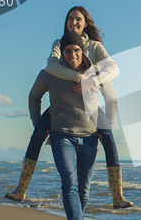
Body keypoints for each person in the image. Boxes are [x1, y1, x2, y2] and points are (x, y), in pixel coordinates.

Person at [5, 6, 133, 209]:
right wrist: (83, 79)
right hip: (62, 104)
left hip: (89, 108)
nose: (74, 22)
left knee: (108, 136)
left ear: (85, 23)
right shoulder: (59, 43)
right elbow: (52, 66)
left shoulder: (95, 46)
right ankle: (21, 189)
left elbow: (113, 68)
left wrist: (96, 80)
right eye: (70, 19)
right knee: (38, 133)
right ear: (66, 23)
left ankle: (117, 195)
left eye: (78, 19)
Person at [30, 30, 106, 220]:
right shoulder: (50, 73)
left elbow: (111, 98)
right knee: (69, 184)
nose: (72, 55)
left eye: (76, 50)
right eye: (68, 51)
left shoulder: (94, 73)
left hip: (89, 138)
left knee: (84, 189)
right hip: (61, 136)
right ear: (62, 53)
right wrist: (37, 123)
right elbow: (34, 96)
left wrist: (105, 127)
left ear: (83, 51)